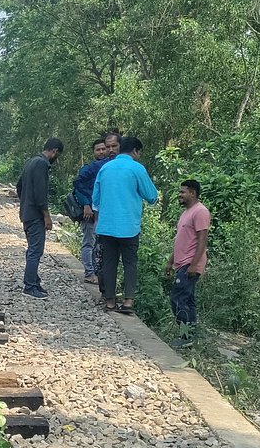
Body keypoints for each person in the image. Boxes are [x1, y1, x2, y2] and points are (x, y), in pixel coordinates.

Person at [92, 135, 157, 314]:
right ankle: (128, 301)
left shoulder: (105, 168)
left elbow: (95, 199)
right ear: (135, 151)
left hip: (106, 225)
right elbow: (151, 196)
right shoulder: (137, 169)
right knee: (130, 263)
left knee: (109, 262)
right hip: (129, 225)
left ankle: (110, 301)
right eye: (139, 153)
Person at [164, 180, 210, 346]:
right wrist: (170, 262)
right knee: (187, 300)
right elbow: (180, 241)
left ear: (193, 193)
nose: (180, 195)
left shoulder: (200, 212)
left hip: (190, 264)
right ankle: (190, 335)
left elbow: (202, 240)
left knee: (178, 299)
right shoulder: (186, 213)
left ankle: (185, 337)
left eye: (183, 192)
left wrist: (193, 264)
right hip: (181, 263)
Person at [17, 137, 63, 299]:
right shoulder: (42, 164)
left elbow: (19, 185)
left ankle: (34, 281)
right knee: (36, 250)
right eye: (58, 155)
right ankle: (29, 286)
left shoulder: (31, 161)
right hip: (35, 215)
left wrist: (24, 203)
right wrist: (46, 216)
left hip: (26, 213)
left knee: (32, 249)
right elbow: (40, 193)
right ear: (55, 151)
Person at [73, 137, 111, 284]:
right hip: (89, 212)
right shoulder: (89, 168)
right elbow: (78, 185)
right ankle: (89, 273)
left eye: (104, 149)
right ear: (94, 152)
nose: (101, 152)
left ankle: (98, 273)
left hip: (105, 212)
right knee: (89, 242)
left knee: (100, 245)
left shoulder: (109, 167)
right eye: (98, 149)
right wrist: (86, 205)